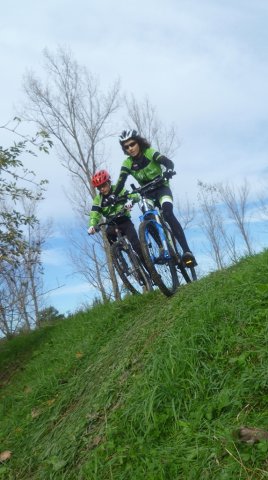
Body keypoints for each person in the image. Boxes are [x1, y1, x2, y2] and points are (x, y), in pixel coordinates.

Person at [112, 129, 197, 267]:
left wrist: (168, 170)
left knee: (168, 214)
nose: (130, 148)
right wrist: (114, 196)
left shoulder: (149, 152)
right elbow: (121, 181)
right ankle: (163, 247)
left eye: (132, 144)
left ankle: (187, 251)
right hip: (147, 193)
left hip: (161, 188)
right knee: (147, 219)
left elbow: (167, 162)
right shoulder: (127, 163)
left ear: (138, 142)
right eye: (126, 147)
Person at [88, 169, 147, 267]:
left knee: (136, 246)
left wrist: (131, 201)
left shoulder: (118, 189)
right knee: (108, 234)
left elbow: (134, 196)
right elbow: (94, 213)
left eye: (103, 185)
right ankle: (120, 261)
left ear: (109, 182)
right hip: (112, 223)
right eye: (99, 187)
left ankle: (151, 271)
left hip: (124, 221)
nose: (102, 189)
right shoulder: (98, 200)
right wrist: (92, 225)